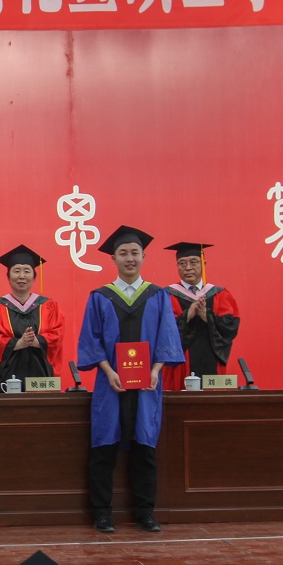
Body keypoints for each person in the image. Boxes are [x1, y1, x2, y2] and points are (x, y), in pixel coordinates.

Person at [76, 224, 183, 534]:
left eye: (135, 252)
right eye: (123, 253)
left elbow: (167, 337)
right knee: (103, 447)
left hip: (147, 384)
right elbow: (91, 340)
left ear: (144, 257)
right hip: (110, 384)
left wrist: (155, 371)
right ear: (114, 259)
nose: (129, 258)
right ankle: (102, 513)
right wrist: (109, 371)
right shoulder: (100, 297)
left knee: (144, 447)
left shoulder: (158, 296)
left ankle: (145, 512)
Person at [0, 244, 65, 391]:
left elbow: (57, 333)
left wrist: (37, 341)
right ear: (8, 276)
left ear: (34, 276)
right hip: (7, 376)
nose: (21, 276)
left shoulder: (49, 306)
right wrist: (18, 343)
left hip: (41, 376)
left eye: (27, 271)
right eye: (16, 271)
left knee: (42, 404)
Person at [161, 242, 241, 390]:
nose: (188, 267)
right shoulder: (166, 296)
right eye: (182, 263)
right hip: (179, 365)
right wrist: (187, 315)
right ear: (177, 266)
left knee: (212, 402)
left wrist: (207, 316)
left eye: (194, 262)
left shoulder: (220, 294)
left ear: (204, 264)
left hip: (211, 361)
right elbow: (161, 330)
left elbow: (230, 326)